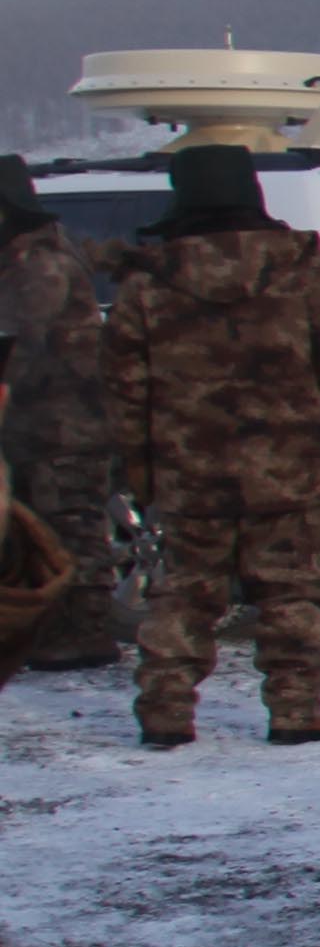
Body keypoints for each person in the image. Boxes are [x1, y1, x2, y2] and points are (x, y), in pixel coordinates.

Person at [103, 147, 320, 747]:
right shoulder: (299, 268)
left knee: (186, 591)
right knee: (291, 590)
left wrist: (138, 468)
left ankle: (165, 709)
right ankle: (295, 710)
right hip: (289, 464)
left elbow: (124, 388)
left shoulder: (147, 281)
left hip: (189, 469)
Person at [0, 156, 127, 675]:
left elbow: (19, 338)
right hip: (35, 424)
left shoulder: (40, 261)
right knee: (43, 529)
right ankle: (52, 632)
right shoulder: (19, 256)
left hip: (65, 424)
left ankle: (82, 635)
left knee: (70, 525)